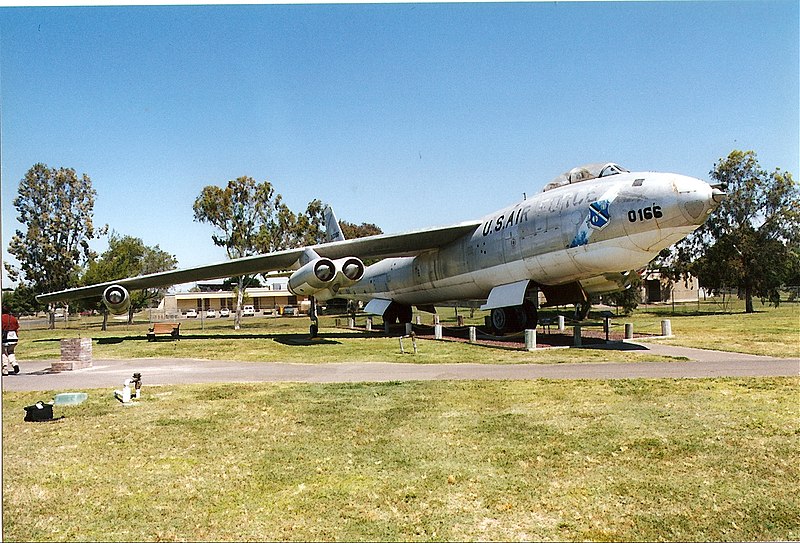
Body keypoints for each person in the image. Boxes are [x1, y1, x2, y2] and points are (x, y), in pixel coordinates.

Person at [2, 309, 20, 375]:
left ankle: (5, 369)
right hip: (14, 337)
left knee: (3, 353)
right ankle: (14, 364)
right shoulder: (13, 318)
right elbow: (17, 328)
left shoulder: (2, 318)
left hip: (5, 337)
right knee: (11, 352)